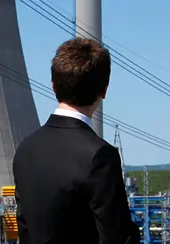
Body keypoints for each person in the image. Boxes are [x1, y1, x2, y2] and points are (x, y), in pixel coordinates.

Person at [12, 38, 140, 244]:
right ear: (104, 91)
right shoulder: (99, 156)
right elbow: (116, 237)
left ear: (53, 86)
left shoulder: (26, 150)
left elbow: (25, 231)